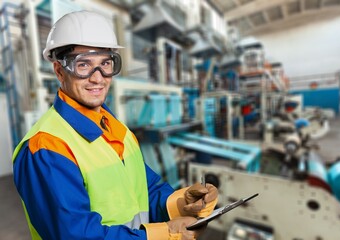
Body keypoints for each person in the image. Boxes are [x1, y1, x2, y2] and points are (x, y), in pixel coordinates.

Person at [12, 10, 218, 240]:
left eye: (106, 64)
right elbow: (76, 234)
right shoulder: (46, 147)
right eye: (83, 65)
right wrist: (164, 235)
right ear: (60, 71)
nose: (98, 77)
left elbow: (143, 191)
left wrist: (183, 202)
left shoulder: (118, 130)